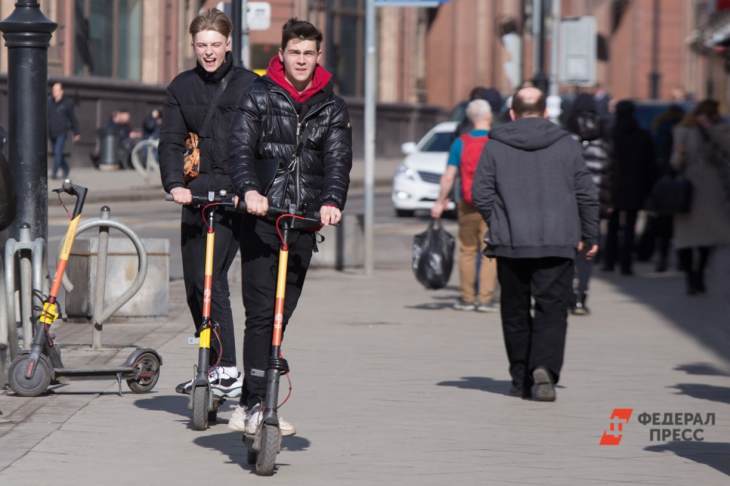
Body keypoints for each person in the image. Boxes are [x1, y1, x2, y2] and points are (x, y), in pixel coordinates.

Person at [228, 18, 352, 435]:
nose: (301, 60)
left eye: (308, 53)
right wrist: (248, 189)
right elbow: (240, 149)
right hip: (263, 219)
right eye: (294, 53)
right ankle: (253, 404)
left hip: (302, 221)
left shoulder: (332, 106)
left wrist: (332, 201)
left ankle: (259, 398)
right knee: (262, 314)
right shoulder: (258, 95)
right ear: (281, 55)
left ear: (319, 57)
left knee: (284, 314)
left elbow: (338, 161)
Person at [472, 87, 599, 401]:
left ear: (512, 113)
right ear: (545, 112)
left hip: (511, 242)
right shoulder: (567, 145)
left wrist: (499, 221)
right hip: (558, 241)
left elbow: (481, 193)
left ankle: (520, 378)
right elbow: (586, 193)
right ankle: (544, 369)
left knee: (514, 310)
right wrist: (590, 234)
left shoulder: (495, 145)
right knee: (552, 309)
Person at [159, 9, 257, 398]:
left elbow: (260, 143)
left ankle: (229, 368)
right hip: (196, 193)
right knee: (194, 284)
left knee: (212, 280)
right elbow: (170, 140)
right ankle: (213, 363)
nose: (209, 52)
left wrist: (249, 189)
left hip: (235, 195)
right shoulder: (181, 87)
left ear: (229, 43)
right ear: (193, 45)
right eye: (202, 45)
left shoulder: (250, 85)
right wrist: (173, 183)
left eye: (216, 44)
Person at [431, 99, 498, 312]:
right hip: (494, 205)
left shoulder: (461, 142)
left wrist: (440, 201)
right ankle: (486, 298)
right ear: (489, 117)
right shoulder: (496, 142)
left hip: (467, 203)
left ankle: (467, 298)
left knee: (467, 250)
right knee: (490, 251)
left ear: (470, 118)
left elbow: (449, 176)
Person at [671, 99, 730, 294]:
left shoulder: (720, 130)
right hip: (689, 190)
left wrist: (710, 130)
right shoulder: (683, 131)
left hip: (710, 190)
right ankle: (692, 277)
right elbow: (675, 162)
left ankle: (698, 275)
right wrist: (679, 155)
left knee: (707, 236)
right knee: (687, 238)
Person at [564, 93, 611, 315]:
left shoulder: (566, 137)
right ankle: (582, 295)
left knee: (569, 250)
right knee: (588, 251)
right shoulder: (602, 137)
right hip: (594, 202)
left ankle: (569, 294)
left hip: (568, 203)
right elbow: (609, 173)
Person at [602, 100, 654, 275]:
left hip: (613, 185)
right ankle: (626, 264)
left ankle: (609, 261)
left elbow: (606, 162)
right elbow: (650, 165)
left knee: (612, 225)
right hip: (635, 185)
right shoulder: (642, 135)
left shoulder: (611, 135)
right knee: (630, 226)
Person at [47, 82, 80, 179]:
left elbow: (73, 118)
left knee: (57, 152)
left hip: (62, 132)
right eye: (53, 90)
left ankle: (54, 173)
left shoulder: (67, 103)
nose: (54, 92)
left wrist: (76, 132)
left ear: (61, 91)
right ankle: (66, 168)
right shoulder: (49, 102)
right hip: (52, 132)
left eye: (57, 90)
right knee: (57, 153)